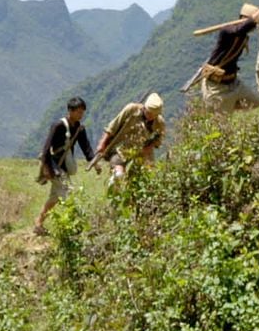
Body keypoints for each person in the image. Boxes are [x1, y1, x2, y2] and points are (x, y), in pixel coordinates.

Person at [198, 2, 259, 112]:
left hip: (235, 84)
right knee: (221, 125)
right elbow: (240, 29)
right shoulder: (227, 31)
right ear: (243, 18)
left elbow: (244, 28)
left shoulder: (244, 37)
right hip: (217, 88)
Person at [34, 97, 94, 235]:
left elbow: (86, 148)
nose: (81, 115)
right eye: (78, 112)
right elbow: (46, 149)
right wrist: (46, 168)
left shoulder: (79, 128)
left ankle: (38, 223)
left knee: (55, 197)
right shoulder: (58, 126)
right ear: (70, 111)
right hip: (54, 166)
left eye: (82, 112)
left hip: (64, 166)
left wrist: (94, 163)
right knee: (69, 193)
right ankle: (74, 226)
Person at [95, 93, 166, 184]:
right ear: (144, 108)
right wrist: (102, 143)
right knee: (118, 176)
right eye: (149, 113)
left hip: (143, 152)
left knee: (145, 178)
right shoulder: (131, 110)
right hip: (122, 149)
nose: (150, 116)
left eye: (153, 115)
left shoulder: (159, 122)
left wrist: (149, 147)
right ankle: (116, 195)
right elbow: (112, 126)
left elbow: (159, 139)